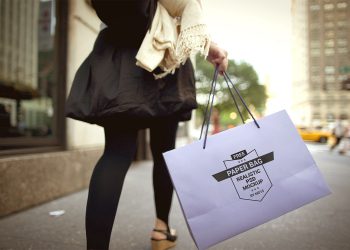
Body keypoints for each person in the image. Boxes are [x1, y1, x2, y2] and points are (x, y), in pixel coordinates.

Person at [67, 1, 228, 249]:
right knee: (164, 152)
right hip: (164, 56)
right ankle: (161, 230)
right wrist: (210, 47)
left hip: (119, 55)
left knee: (116, 153)